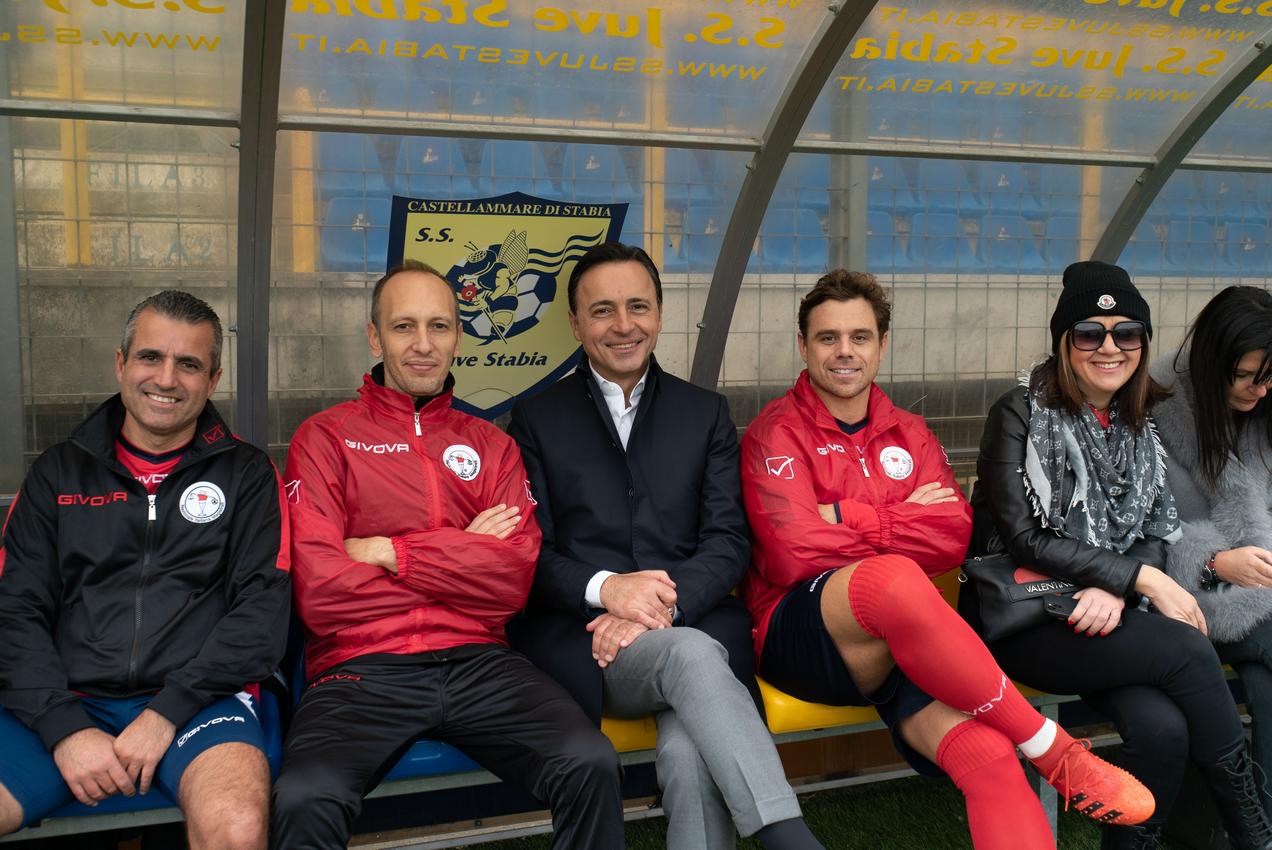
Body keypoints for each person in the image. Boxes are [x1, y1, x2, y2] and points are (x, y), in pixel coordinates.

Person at [742, 268, 1156, 850]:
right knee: (892, 577)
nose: (844, 351)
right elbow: (792, 552)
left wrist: (840, 515)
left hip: (907, 641)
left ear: (882, 344)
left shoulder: (910, 432)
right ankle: (1051, 748)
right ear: (803, 345)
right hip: (803, 636)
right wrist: (898, 519)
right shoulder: (774, 434)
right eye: (827, 337)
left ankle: (1027, 749)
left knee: (991, 758)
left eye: (859, 337)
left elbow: (952, 536)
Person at [272, 260, 623, 850]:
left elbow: (510, 583)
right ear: (375, 337)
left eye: (439, 326)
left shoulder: (493, 445)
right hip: (362, 668)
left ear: (459, 336)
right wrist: (465, 552)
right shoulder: (324, 437)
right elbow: (322, 591)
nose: (423, 344)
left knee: (589, 761)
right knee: (306, 796)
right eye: (403, 326)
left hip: (479, 661)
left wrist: (388, 551)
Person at [508, 242, 824, 850]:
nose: (623, 325)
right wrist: (609, 592)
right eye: (602, 310)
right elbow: (529, 551)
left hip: (692, 621)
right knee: (692, 658)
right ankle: (787, 836)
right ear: (574, 323)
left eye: (638, 306)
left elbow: (728, 540)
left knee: (688, 750)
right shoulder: (536, 418)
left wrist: (658, 608)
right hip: (589, 643)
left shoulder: (704, 413)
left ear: (659, 313)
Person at [965, 261, 1272, 850]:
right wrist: (1140, 580)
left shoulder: (1137, 419)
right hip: (1029, 616)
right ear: (1064, 341)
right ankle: (1252, 832)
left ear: (1142, 342)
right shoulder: (1020, 411)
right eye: (1090, 333)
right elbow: (1026, 537)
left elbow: (1158, 529)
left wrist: (1117, 584)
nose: (1110, 347)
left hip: (1105, 613)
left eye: (1126, 333)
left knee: (1162, 729)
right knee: (1188, 648)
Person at [0, 290, 291, 849]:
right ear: (121, 363)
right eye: (151, 357)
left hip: (200, 704)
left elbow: (260, 616)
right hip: (62, 701)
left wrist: (165, 714)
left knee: (236, 826)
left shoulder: (248, 475)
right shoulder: (57, 472)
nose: (166, 378)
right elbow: (15, 611)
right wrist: (65, 728)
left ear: (213, 379)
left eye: (189, 364)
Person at [1151, 285, 1272, 818]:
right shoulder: (1153, 406)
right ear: (1210, 360)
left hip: (1261, 594)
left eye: (1269, 376)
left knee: (1266, 685)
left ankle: (1259, 825)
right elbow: (1137, 527)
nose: (1260, 389)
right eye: (1245, 375)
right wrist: (1213, 563)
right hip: (1186, 600)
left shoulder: (1265, 408)